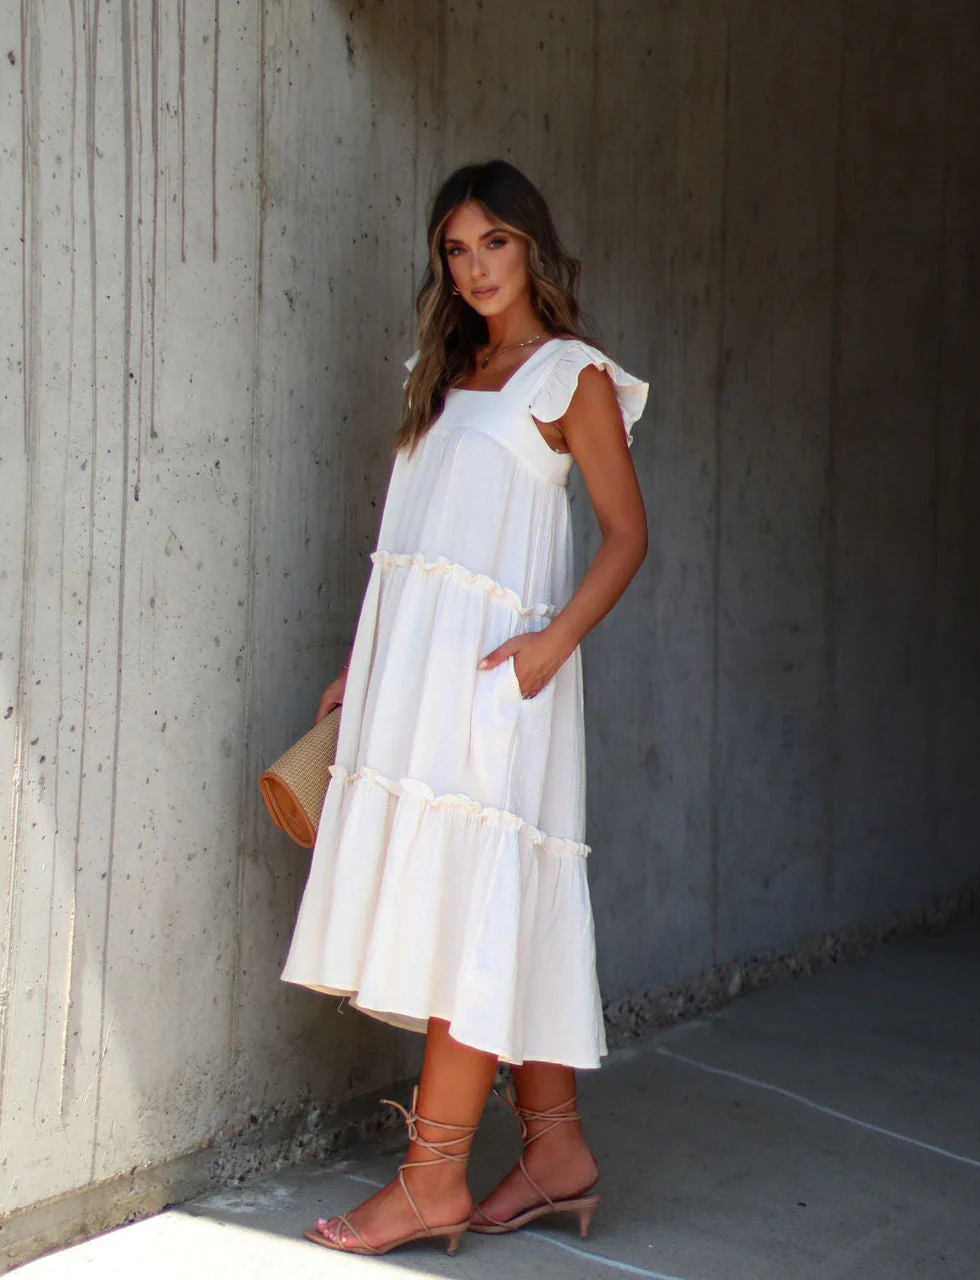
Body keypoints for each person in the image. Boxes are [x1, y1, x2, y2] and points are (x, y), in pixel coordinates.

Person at [281, 158, 649, 1257]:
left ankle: (432, 1176)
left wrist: (551, 646)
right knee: (490, 898)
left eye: (495, 242)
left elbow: (627, 534)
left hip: (501, 680)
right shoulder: (442, 374)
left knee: (474, 903)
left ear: (531, 245)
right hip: (415, 677)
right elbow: (406, 544)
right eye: (456, 249)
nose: (477, 267)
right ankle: (555, 1150)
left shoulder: (570, 377)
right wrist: (359, 663)